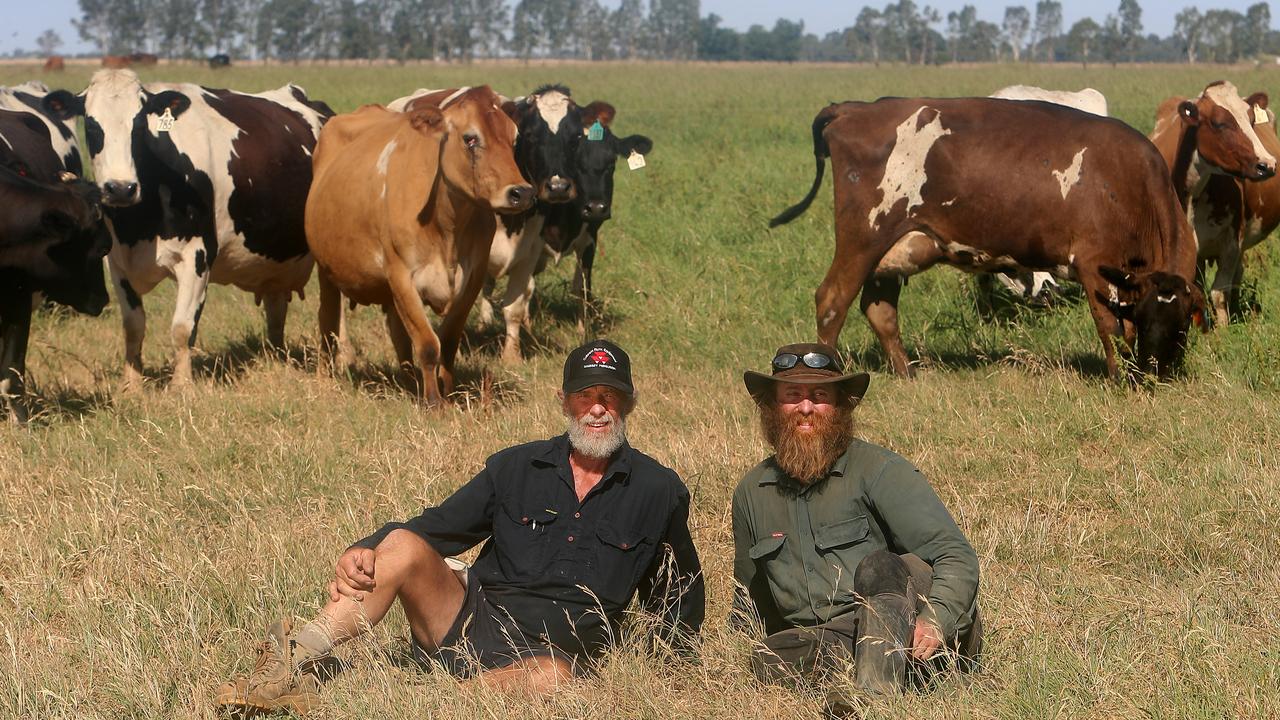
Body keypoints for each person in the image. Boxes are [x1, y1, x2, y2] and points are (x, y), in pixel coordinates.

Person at [216, 339, 704, 715]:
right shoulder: (515, 467)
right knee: (403, 544)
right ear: (564, 401)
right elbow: (436, 529)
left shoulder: (658, 490)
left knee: (553, 678)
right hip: (468, 621)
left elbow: (678, 595)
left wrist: (673, 679)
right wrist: (362, 549)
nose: (597, 408)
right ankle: (293, 664)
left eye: (609, 395)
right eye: (585, 395)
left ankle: (443, 701)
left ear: (629, 402)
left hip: (551, 660)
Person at [732, 342, 981, 702]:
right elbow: (749, 598)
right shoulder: (751, 493)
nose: (805, 407)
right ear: (772, 405)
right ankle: (865, 672)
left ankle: (873, 696)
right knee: (769, 657)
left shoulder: (880, 471)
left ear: (841, 405)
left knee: (879, 566)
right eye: (793, 395)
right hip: (835, 636)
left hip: (913, 623)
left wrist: (936, 619)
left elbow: (956, 555)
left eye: (819, 395)